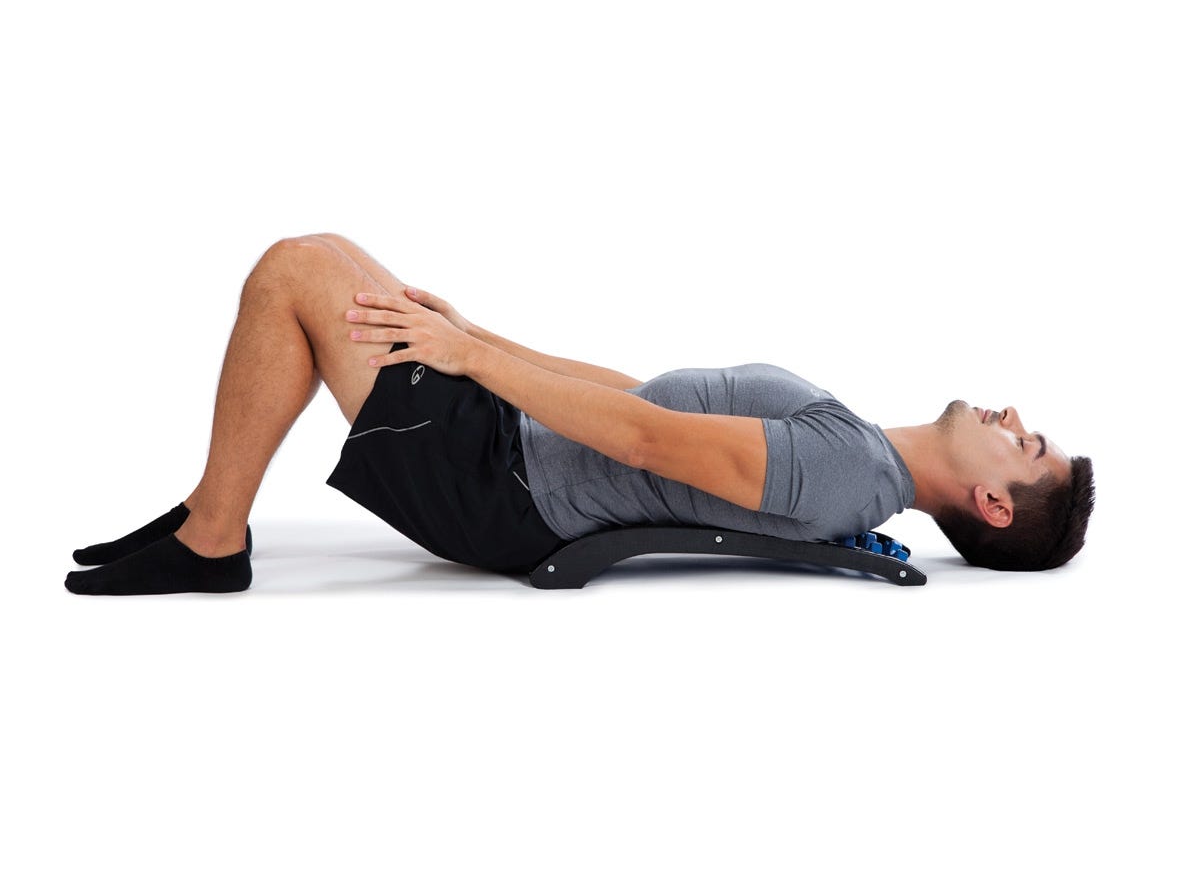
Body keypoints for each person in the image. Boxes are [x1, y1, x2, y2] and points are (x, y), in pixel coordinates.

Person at [65, 234, 1095, 594]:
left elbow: (644, 439)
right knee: (334, 259)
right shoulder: (856, 446)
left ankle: (212, 538)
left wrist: (470, 362)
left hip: (502, 488)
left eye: (1028, 444)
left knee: (297, 269)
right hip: (513, 447)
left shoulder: (846, 472)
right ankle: (210, 515)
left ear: (995, 506)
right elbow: (641, 397)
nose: (1012, 416)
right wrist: (477, 336)